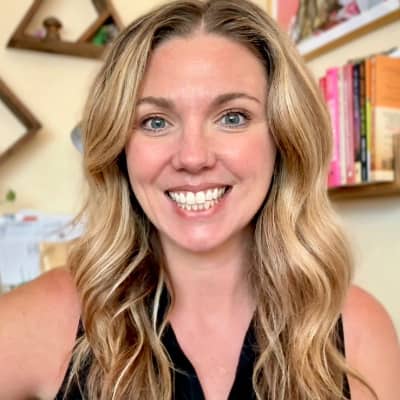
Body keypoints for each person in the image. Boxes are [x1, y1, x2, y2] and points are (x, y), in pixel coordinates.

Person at [0, 0, 399, 399]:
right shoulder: (50, 317)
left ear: (283, 138)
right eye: (155, 122)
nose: (193, 157)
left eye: (233, 117)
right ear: (119, 148)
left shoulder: (359, 327)